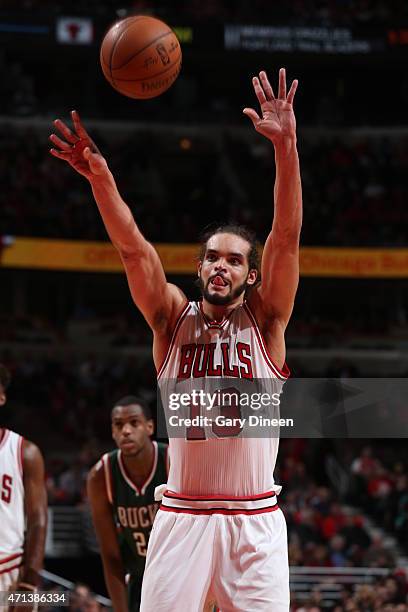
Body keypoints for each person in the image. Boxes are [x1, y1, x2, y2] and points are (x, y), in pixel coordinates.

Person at [50, 67, 302, 611]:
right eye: (212, 256)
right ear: (199, 267)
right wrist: (101, 181)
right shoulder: (170, 319)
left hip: (255, 520)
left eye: (235, 260)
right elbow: (134, 250)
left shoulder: (269, 321)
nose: (221, 265)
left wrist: (287, 148)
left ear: (250, 276)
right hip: (183, 516)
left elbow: (286, 234)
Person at [87, 397, 168, 611]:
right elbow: (111, 555)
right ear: (112, 432)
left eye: (134, 423)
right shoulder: (100, 475)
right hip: (139, 578)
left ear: (150, 426)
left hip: (180, 575)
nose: (126, 431)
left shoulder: (172, 461)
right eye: (119, 425)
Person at [0, 364, 48, 608]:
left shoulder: (24, 452)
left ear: (2, 397)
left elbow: (38, 520)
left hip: (9, 571)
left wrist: (29, 585)